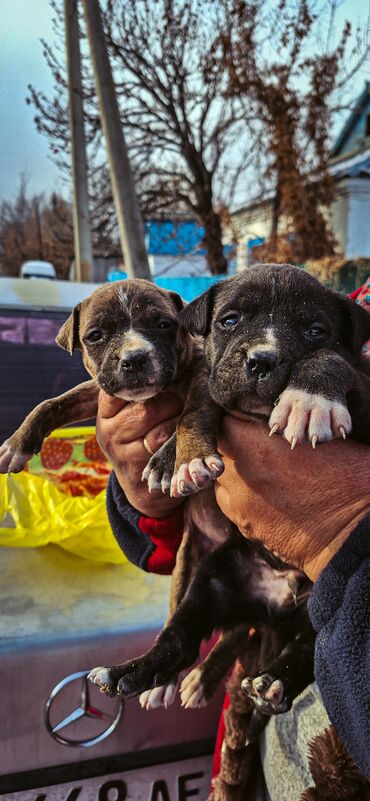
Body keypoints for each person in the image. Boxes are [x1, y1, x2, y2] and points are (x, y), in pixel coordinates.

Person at [96, 388, 370, 787]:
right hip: (260, 743)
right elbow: (205, 533)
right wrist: (148, 499)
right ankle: (172, 656)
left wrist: (346, 528)